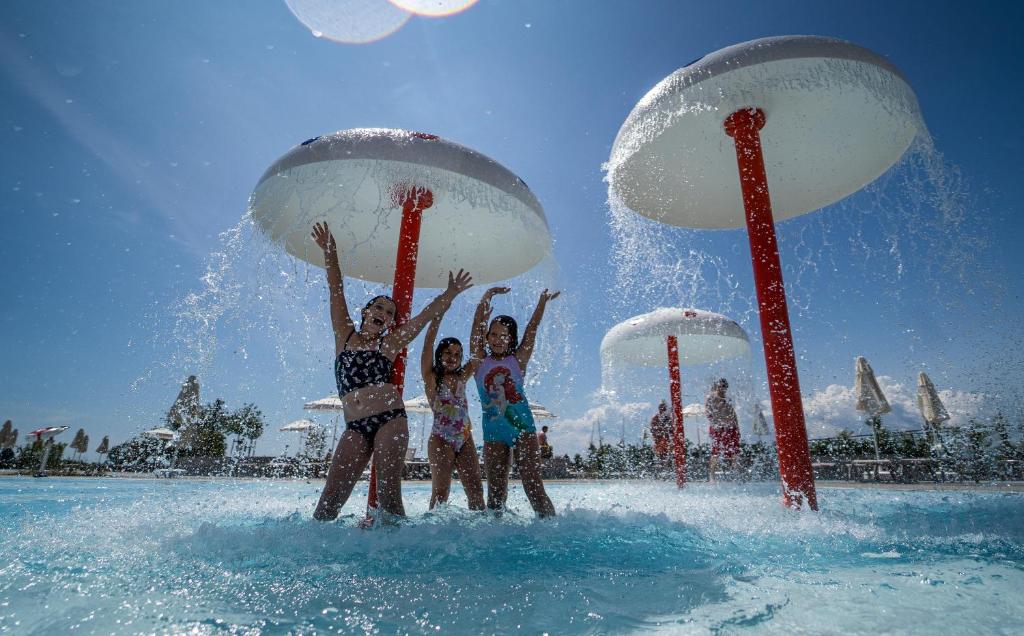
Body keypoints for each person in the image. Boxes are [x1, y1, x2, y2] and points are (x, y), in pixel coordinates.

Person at [311, 215, 474, 522]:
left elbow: (424, 317)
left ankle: (401, 559)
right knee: (328, 504)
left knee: (388, 497)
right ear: (366, 311)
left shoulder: (390, 344)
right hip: (355, 426)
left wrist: (450, 294)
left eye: (389, 312)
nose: (384, 314)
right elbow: (336, 288)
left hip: (390, 420)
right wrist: (329, 252)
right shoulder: (344, 336)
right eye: (379, 308)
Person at [471, 286, 558, 517]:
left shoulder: (517, 360)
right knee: (496, 494)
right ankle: (497, 537)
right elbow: (474, 332)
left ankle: (550, 530)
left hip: (523, 430)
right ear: (487, 336)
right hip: (493, 433)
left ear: (511, 340)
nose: (498, 339)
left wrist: (542, 302)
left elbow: (532, 330)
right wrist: (486, 297)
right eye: (494, 334)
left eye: (504, 336)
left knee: (533, 485)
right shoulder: (479, 362)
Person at [420, 312, 485, 510]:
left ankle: (481, 531)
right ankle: (433, 532)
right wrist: (437, 317)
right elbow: (427, 345)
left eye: (457, 354)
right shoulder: (432, 378)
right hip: (441, 438)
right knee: (441, 492)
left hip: (465, 438)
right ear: (440, 354)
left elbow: (478, 353)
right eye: (448, 352)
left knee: (475, 489)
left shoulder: (462, 377)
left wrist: (481, 321)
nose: (452, 358)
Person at [705, 378, 740, 483]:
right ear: (717, 386)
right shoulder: (711, 397)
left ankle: (737, 474)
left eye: (725, 386)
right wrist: (717, 422)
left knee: (735, 451)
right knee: (715, 452)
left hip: (731, 427)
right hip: (718, 428)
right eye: (721, 386)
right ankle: (712, 476)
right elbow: (707, 413)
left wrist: (737, 426)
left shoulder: (728, 398)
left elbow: (733, 413)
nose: (723, 388)